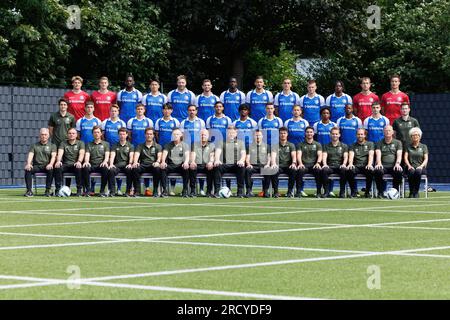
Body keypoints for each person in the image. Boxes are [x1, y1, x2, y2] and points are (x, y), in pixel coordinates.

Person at [214, 126, 246, 198]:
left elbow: (243, 153)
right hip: (224, 164)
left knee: (242, 167)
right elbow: (218, 152)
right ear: (227, 133)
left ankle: (240, 191)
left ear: (236, 133)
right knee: (217, 166)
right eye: (229, 133)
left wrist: (241, 160)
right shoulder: (221, 142)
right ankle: (217, 191)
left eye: (233, 133)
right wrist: (217, 159)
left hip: (236, 165)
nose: (231, 134)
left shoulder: (241, 143)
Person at [24, 128, 57, 197]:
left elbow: (53, 156)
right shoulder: (34, 145)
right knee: (28, 169)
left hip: (47, 166)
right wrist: (29, 164)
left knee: (51, 170)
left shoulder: (52, 145)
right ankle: (29, 191)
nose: (44, 136)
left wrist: (51, 164)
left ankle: (47, 191)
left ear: (48, 136)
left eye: (45, 134)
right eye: (42, 134)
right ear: (39, 135)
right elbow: (30, 155)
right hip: (37, 166)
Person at [54, 128, 85, 197]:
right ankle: (58, 189)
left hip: (75, 164)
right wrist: (58, 161)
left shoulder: (80, 143)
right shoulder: (63, 143)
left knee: (79, 168)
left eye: (73, 133)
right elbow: (60, 153)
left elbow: (82, 153)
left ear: (76, 135)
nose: (71, 135)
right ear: (67, 135)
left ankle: (79, 190)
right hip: (66, 164)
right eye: (70, 133)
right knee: (58, 167)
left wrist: (79, 161)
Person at [131, 128, 163, 197]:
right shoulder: (140, 146)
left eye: (151, 134)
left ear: (153, 135)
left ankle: (155, 191)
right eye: (147, 134)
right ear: (145, 135)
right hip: (143, 165)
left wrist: (157, 162)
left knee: (157, 168)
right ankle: (137, 191)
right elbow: (136, 155)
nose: (149, 136)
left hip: (153, 165)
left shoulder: (158, 146)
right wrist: (135, 162)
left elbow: (159, 156)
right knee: (135, 168)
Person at [374, 126, 403, 198]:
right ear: (383, 132)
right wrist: (379, 163)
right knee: (378, 171)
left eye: (389, 130)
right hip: (383, 166)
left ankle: (395, 191)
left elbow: (399, 155)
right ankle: (380, 192)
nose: (387, 132)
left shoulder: (398, 143)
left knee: (398, 171)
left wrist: (397, 164)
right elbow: (378, 154)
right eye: (386, 130)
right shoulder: (379, 143)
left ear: (392, 132)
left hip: (393, 166)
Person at [160, 128, 190, 197]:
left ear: (181, 135)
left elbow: (187, 155)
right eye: (174, 134)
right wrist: (163, 162)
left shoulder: (185, 145)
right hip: (170, 165)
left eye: (177, 134)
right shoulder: (168, 145)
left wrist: (186, 162)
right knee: (162, 168)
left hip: (180, 165)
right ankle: (164, 191)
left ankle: (184, 191)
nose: (175, 136)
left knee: (186, 169)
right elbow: (164, 153)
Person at [82, 126, 110, 197]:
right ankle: (88, 190)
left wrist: (105, 162)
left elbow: (107, 155)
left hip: (101, 165)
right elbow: (87, 155)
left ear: (101, 134)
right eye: (95, 132)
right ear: (92, 134)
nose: (96, 134)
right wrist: (86, 161)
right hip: (92, 165)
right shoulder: (88, 144)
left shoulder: (106, 144)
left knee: (105, 168)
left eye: (98, 132)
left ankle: (102, 191)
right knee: (85, 167)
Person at [347, 128, 375, 198]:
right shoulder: (352, 145)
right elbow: (351, 156)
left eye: (362, 134)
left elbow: (371, 155)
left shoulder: (370, 144)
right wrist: (350, 163)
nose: (360, 136)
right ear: (356, 135)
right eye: (358, 134)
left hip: (366, 165)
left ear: (365, 135)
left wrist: (369, 164)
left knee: (370, 171)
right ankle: (354, 192)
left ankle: (367, 192)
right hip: (357, 166)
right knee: (350, 170)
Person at [321, 127, 348, 198]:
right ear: (330, 135)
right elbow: (324, 156)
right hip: (330, 166)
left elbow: (345, 157)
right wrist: (325, 164)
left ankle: (342, 192)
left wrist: (344, 164)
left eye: (336, 134)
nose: (334, 135)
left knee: (344, 170)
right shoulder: (326, 146)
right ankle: (326, 192)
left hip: (340, 166)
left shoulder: (344, 146)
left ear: (339, 135)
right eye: (333, 134)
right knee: (324, 170)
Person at [189, 129, 217, 197]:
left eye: (205, 135)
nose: (203, 136)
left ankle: (209, 191)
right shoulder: (194, 144)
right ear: (199, 136)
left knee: (211, 169)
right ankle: (193, 191)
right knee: (192, 168)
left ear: (208, 136)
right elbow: (193, 153)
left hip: (206, 165)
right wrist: (192, 162)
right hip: (197, 164)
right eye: (201, 135)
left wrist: (210, 162)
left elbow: (212, 155)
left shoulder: (212, 145)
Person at [245, 130, 273, 197]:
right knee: (247, 170)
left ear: (262, 136)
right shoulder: (249, 146)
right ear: (253, 136)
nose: (258, 137)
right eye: (256, 135)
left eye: (259, 135)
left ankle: (265, 191)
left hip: (263, 166)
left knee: (268, 170)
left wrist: (267, 165)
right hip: (253, 166)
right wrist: (248, 164)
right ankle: (249, 191)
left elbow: (269, 157)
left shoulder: (267, 146)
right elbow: (247, 157)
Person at [272, 127, 298, 198]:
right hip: (279, 166)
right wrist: (274, 163)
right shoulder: (275, 145)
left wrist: (293, 163)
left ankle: (289, 192)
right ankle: (276, 192)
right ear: (279, 134)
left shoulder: (291, 145)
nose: (283, 135)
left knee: (293, 170)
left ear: (287, 134)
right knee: (274, 170)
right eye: (281, 133)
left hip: (288, 166)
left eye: (284, 133)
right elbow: (273, 156)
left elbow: (294, 155)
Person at [108, 128, 135, 197]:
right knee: (111, 170)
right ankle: (112, 191)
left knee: (130, 170)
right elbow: (112, 155)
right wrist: (111, 164)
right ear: (118, 135)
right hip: (117, 166)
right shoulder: (114, 145)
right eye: (120, 134)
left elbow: (131, 156)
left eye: (123, 134)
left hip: (126, 165)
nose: (122, 136)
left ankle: (127, 191)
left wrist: (130, 164)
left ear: (126, 135)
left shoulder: (130, 146)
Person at [297, 126, 323, 197]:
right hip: (304, 165)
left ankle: (318, 192)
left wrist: (318, 163)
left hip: (314, 165)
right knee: (300, 170)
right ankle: (298, 192)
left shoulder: (318, 144)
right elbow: (299, 155)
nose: (309, 133)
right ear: (305, 133)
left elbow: (320, 155)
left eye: (311, 132)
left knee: (318, 170)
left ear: (313, 133)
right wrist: (300, 163)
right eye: (307, 132)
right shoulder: (300, 144)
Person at [404, 127, 428, 198]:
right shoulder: (408, 146)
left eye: (417, 135)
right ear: (411, 137)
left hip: (420, 167)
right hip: (410, 166)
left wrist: (421, 166)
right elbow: (405, 157)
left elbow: (426, 158)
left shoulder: (424, 146)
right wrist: (409, 165)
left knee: (418, 172)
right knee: (411, 172)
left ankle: (416, 192)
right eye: (413, 135)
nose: (415, 136)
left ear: (420, 136)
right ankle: (411, 192)